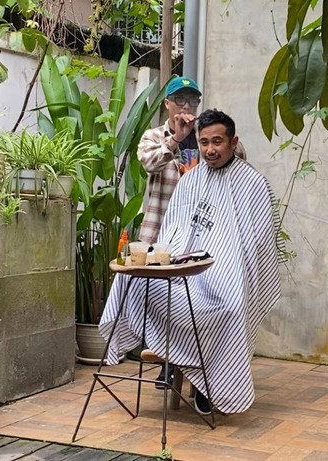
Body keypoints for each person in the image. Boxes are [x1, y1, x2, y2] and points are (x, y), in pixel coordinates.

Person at [99, 109, 282, 415]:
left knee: (232, 307)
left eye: (218, 141)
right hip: (185, 276)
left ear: (233, 141)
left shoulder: (253, 184)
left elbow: (258, 243)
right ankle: (177, 360)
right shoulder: (190, 180)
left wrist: (231, 268)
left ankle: (210, 383)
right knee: (131, 279)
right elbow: (171, 232)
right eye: (204, 142)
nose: (210, 149)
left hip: (227, 282)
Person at [137, 76, 245, 244]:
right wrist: (177, 138)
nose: (186, 105)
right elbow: (150, 164)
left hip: (203, 228)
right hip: (162, 227)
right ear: (167, 103)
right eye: (179, 99)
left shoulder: (205, 135)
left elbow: (240, 157)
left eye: (192, 100)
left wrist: (216, 132)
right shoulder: (153, 136)